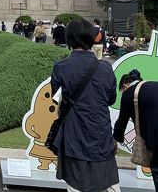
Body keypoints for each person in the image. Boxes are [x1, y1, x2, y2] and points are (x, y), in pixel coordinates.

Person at [50, 19, 120, 192]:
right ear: (92, 38)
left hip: (74, 134)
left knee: (76, 185)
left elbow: (56, 99)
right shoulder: (105, 68)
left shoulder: (61, 67)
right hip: (100, 135)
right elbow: (111, 99)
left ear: (69, 40)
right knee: (107, 184)